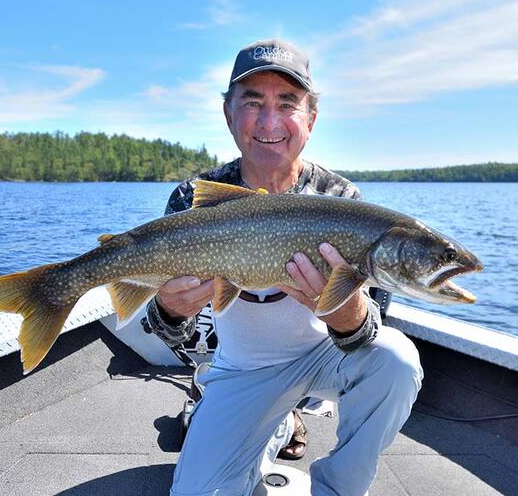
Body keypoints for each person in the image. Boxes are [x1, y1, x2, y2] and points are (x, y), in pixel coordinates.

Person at [142, 38, 423, 496]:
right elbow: (172, 334)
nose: (269, 121)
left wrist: (345, 314)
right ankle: (272, 421)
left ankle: (336, 487)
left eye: (287, 103)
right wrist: (171, 310)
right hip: (240, 371)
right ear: (229, 114)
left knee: (395, 360)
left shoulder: (339, 200)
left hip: (325, 360)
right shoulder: (195, 198)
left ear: (310, 118)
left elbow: (371, 328)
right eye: (252, 102)